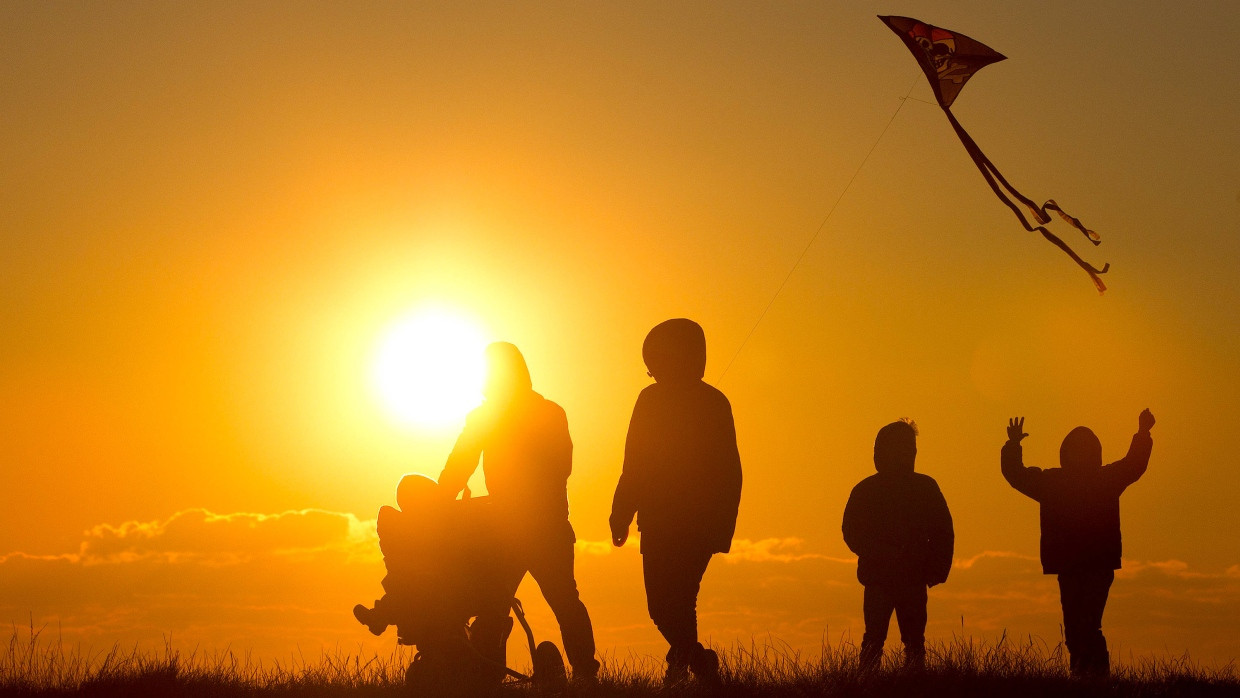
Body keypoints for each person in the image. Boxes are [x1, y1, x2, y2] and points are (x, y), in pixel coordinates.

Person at [438, 342, 600, 680]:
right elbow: (461, 464)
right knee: (560, 601)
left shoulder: (493, 417)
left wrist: (438, 503)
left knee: (496, 603)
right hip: (537, 525)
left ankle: (486, 675)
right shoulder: (547, 412)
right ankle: (584, 673)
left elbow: (459, 465)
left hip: (522, 525)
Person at [610, 318, 742, 687]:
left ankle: (690, 665)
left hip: (695, 525)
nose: (651, 374)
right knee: (663, 608)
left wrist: (721, 527)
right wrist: (621, 513)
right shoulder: (651, 400)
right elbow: (635, 462)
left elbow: (729, 470)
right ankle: (693, 660)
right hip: (657, 522)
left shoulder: (713, 403)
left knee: (677, 603)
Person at [1001, 409, 1155, 678]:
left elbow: (1134, 464)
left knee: (1087, 625)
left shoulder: (1077, 481)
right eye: (1076, 450)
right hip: (1076, 566)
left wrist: (1143, 433)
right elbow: (1017, 475)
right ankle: (1085, 677)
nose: (1080, 456)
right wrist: (1013, 444)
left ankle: (1094, 678)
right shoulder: (1068, 481)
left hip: (1093, 566)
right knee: (1076, 627)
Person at [842, 419, 954, 671]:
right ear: (881, 452)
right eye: (902, 447)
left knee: (914, 642)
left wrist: (937, 568)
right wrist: (879, 553)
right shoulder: (866, 490)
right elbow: (851, 531)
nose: (908, 453)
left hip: (912, 577)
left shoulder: (925, 487)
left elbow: (943, 531)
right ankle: (867, 684)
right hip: (879, 578)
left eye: (911, 448)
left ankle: (911, 684)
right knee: (874, 639)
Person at [353, 473, 445, 637]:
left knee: (406, 589)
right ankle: (379, 617)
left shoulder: (432, 525)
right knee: (408, 587)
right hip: (417, 581)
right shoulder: (401, 524)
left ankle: (379, 617)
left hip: (431, 582)